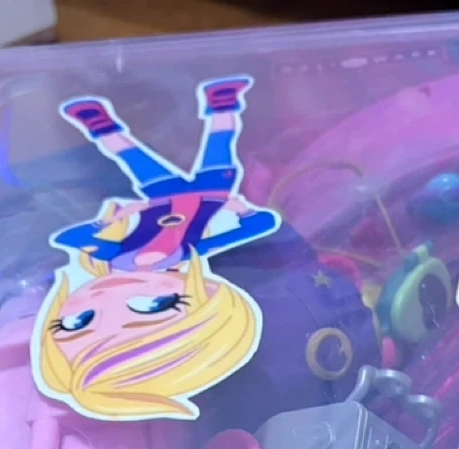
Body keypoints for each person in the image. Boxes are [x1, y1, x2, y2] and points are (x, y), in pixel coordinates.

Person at [33, 76, 281, 420]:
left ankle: (98, 123)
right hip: (211, 197)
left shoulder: (114, 255)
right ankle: (222, 103)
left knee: (136, 159)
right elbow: (261, 225)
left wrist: (114, 219)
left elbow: (70, 238)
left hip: (161, 199)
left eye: (77, 322)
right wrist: (242, 211)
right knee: (218, 158)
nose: (106, 301)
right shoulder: (191, 251)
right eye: (154, 306)